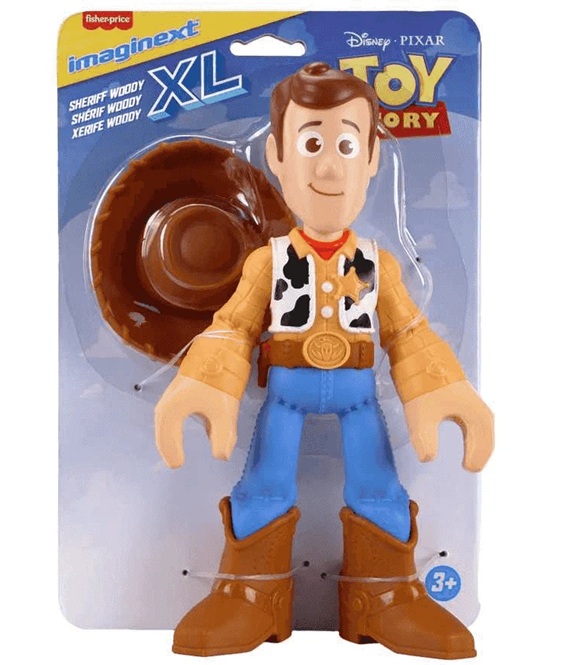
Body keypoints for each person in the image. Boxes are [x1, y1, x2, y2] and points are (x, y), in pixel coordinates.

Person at [155, 62, 493, 659]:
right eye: (312, 144)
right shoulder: (269, 261)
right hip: (284, 393)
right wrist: (205, 384)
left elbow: (408, 332)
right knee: (263, 485)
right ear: (278, 156)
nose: (330, 168)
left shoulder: (377, 263)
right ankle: (252, 595)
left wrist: (440, 388)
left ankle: (385, 597)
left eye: (347, 145)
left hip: (360, 395)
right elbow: (232, 328)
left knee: (378, 488)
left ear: (372, 159)